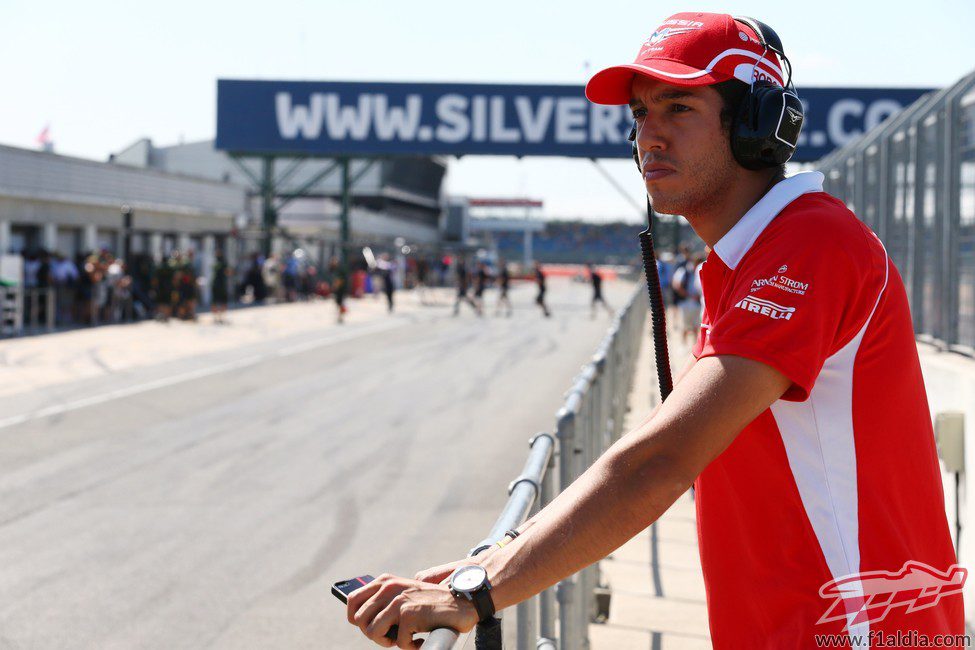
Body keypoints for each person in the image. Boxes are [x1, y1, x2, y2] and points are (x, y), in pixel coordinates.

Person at [343, 12, 962, 648]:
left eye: (678, 107)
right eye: (640, 113)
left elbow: (660, 462)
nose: (650, 136)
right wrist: (498, 557)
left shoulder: (811, 243)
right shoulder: (752, 257)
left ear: (756, 125)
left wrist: (476, 591)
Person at [670, 252, 703, 343]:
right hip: (686, 303)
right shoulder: (684, 271)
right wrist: (689, 295)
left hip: (697, 304)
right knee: (685, 326)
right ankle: (683, 344)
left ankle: (694, 345)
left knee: (696, 326)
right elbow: (676, 285)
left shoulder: (700, 271)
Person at [210, 250, 231, 324]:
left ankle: (218, 317)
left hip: (216, 285)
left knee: (216, 301)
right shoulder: (223, 262)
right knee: (220, 301)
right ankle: (219, 317)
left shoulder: (215, 262)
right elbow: (228, 272)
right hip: (220, 285)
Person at [327, 257, 348, 324]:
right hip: (337, 289)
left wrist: (336, 285)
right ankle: (340, 314)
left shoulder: (340, 269)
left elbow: (341, 279)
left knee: (340, 302)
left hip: (341, 288)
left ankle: (341, 316)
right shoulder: (333, 269)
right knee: (338, 302)